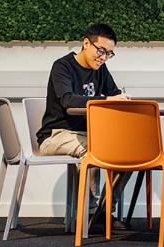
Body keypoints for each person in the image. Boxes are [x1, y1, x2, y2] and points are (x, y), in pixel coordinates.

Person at [37, 23, 131, 227]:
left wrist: (122, 99)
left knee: (130, 150)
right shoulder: (62, 66)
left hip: (87, 134)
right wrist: (107, 100)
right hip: (55, 135)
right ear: (86, 43)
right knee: (94, 148)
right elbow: (68, 101)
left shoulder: (101, 69)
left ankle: (103, 211)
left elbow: (113, 94)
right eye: (101, 51)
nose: (103, 57)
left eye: (109, 54)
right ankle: (88, 214)